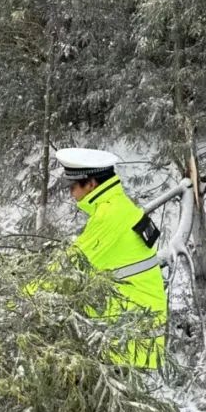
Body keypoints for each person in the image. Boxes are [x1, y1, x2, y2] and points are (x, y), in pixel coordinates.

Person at [57, 148, 168, 369]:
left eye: (72, 186)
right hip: (132, 334)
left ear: (91, 184)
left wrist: (13, 297)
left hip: (128, 342)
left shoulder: (109, 217)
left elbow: (67, 269)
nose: (71, 193)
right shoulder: (120, 207)